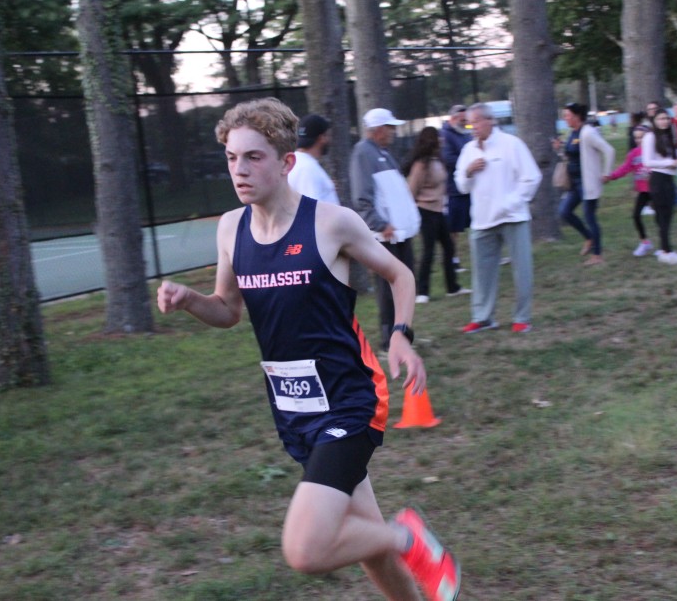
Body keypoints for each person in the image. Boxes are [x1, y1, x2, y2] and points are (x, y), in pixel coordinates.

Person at [156, 98, 460, 601]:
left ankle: (407, 536)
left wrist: (400, 335)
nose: (239, 169)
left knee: (307, 549)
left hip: (350, 400)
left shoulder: (330, 223)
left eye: (253, 157)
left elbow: (400, 274)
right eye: (232, 158)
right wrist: (190, 300)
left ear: (286, 162)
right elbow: (228, 310)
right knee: (364, 540)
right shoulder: (232, 228)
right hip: (294, 408)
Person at [454, 102, 541, 334]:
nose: (473, 127)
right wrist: (468, 171)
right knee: (482, 272)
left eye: (476, 122)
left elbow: (531, 178)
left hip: (513, 217)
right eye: (469, 123)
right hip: (482, 219)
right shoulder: (468, 150)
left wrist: (509, 203)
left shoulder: (511, 144)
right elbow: (461, 186)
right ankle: (483, 317)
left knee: (522, 270)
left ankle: (522, 317)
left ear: (490, 121)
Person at [350, 108, 421, 352]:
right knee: (388, 290)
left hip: (400, 233)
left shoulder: (384, 153)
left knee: (405, 285)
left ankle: (404, 335)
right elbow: (362, 198)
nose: (393, 132)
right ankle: (388, 341)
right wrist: (380, 224)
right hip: (386, 236)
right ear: (378, 129)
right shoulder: (363, 153)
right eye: (390, 127)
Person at [404, 127, 468, 304]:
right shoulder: (420, 165)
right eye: (438, 137)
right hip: (426, 211)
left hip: (439, 211)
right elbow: (411, 191)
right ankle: (422, 292)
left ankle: (452, 287)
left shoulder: (437, 160)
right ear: (431, 140)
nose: (442, 139)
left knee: (449, 247)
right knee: (429, 250)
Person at [554, 102, 615, 266]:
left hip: (588, 184)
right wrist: (559, 149)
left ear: (577, 116)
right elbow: (571, 157)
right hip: (575, 184)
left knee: (590, 217)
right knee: (564, 212)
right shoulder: (573, 133)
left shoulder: (588, 133)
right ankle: (589, 238)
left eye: (567, 115)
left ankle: (597, 256)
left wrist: (606, 172)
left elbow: (609, 150)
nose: (565, 118)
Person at [642, 108, 677, 264]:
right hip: (658, 179)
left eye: (667, 118)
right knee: (663, 216)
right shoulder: (650, 137)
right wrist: (669, 163)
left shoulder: (667, 136)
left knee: (667, 215)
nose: (665, 121)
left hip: (668, 179)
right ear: (654, 121)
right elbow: (647, 162)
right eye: (661, 119)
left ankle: (665, 249)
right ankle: (666, 252)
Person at [604, 125, 653, 256]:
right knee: (636, 215)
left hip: (656, 189)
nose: (638, 140)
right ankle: (645, 242)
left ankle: (665, 247)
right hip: (644, 190)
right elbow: (625, 168)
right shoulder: (633, 154)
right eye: (636, 138)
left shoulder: (655, 150)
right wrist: (611, 176)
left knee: (661, 217)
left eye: (641, 137)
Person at [439, 104, 472, 271]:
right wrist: (468, 163)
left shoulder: (465, 133)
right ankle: (452, 259)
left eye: (466, 119)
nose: (466, 122)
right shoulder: (445, 135)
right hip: (453, 189)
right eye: (463, 119)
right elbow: (447, 159)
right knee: (453, 228)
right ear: (453, 118)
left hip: (469, 186)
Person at [289, 113, 340, 204]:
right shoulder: (308, 169)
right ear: (322, 138)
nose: (329, 140)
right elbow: (311, 208)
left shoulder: (297, 162)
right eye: (328, 135)